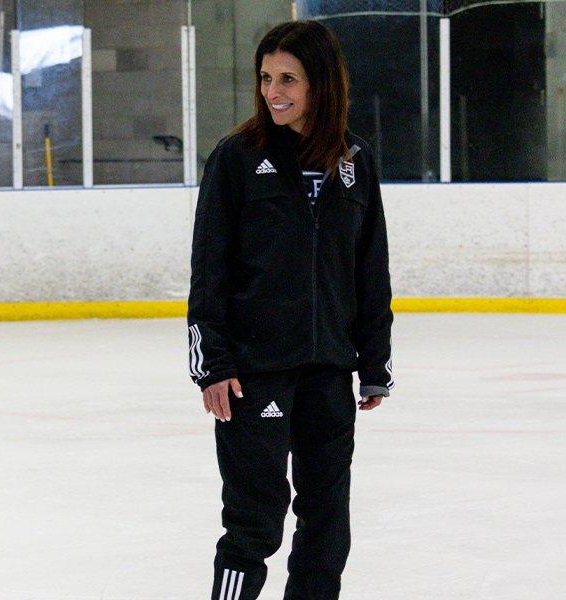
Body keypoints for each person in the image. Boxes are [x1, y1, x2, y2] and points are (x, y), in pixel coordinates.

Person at [186, 21, 393, 600]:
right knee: (254, 521)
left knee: (327, 523)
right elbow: (210, 272)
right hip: (254, 374)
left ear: (321, 85)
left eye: (288, 80)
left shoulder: (354, 160)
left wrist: (374, 362)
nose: (273, 91)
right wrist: (214, 364)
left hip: (329, 369)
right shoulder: (236, 158)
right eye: (266, 78)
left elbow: (370, 272)